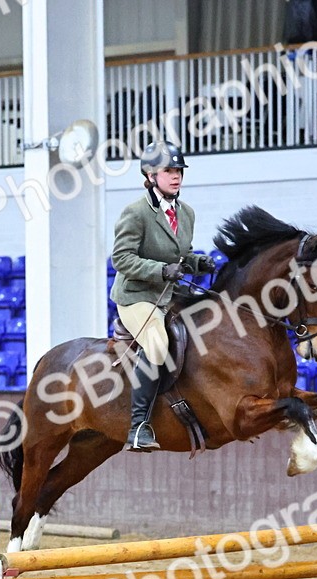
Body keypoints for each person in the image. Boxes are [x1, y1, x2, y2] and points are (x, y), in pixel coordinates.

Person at [110, 140, 215, 452]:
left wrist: (196, 263)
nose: (176, 176)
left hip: (171, 294)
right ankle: (139, 425)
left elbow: (181, 254)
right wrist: (160, 270)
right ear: (150, 174)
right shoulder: (136, 213)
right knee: (157, 344)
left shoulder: (187, 213)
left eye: (179, 170)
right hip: (138, 296)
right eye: (169, 171)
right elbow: (122, 259)